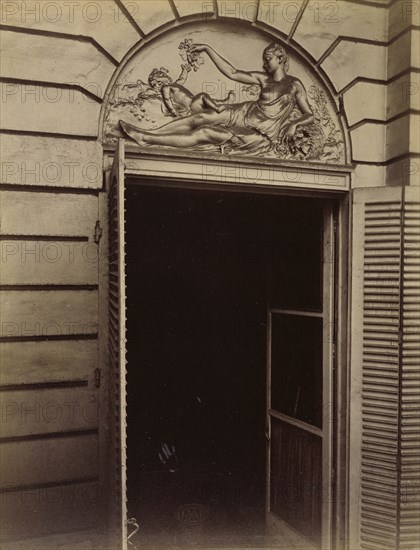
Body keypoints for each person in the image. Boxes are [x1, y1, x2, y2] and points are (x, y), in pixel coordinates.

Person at [120, 42, 315, 154]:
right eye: (264, 59)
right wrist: (207, 49)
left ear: (280, 58)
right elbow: (232, 72)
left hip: (259, 133)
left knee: (204, 131)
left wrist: (294, 124)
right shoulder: (263, 78)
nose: (264, 63)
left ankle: (147, 138)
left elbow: (309, 114)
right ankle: (150, 131)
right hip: (244, 111)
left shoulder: (294, 85)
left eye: (268, 59)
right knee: (201, 117)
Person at [148, 65, 236, 118]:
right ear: (159, 81)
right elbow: (167, 100)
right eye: (164, 75)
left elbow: (181, 79)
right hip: (191, 107)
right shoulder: (165, 88)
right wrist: (173, 111)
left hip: (194, 103)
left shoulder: (174, 85)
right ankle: (217, 108)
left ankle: (225, 102)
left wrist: (185, 70)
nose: (166, 76)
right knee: (202, 96)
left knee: (209, 100)